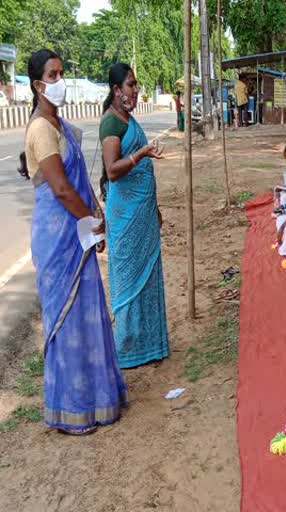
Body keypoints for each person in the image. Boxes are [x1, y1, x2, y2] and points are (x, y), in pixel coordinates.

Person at [20, 49, 127, 434]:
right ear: (37, 85)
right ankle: (72, 408)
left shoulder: (61, 126)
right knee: (66, 323)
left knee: (88, 314)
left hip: (78, 232)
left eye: (62, 73)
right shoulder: (39, 129)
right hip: (59, 241)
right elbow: (63, 189)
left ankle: (99, 400)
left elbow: (81, 179)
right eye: (53, 75)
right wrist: (89, 221)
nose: (60, 81)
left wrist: (96, 214)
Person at [99, 63, 169, 369]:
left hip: (142, 213)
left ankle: (150, 344)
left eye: (136, 85)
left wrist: (154, 208)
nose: (135, 90)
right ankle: (127, 347)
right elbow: (113, 171)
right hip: (125, 215)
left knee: (149, 275)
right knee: (127, 281)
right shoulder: (111, 124)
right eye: (130, 85)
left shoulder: (129, 119)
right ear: (116, 90)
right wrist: (141, 154)